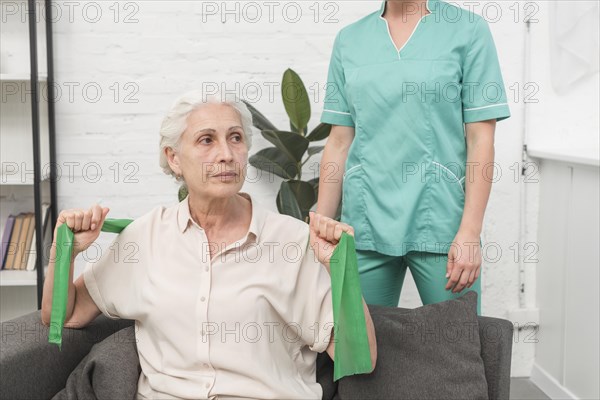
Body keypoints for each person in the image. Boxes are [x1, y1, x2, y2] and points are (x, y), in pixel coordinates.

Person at [41, 91, 377, 400]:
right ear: (173, 158)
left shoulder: (294, 241)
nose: (226, 155)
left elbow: (359, 357)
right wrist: (64, 251)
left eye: (236, 138)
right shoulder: (146, 237)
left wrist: (338, 269)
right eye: (206, 140)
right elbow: (65, 315)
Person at [317, 0, 512, 315]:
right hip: (364, 224)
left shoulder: (468, 31)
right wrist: (321, 227)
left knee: (456, 350)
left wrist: (470, 233)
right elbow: (339, 140)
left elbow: (481, 138)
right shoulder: (349, 40)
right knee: (358, 354)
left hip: (441, 224)